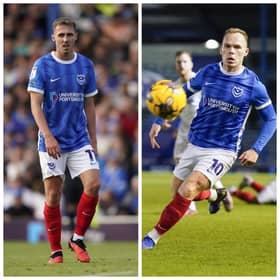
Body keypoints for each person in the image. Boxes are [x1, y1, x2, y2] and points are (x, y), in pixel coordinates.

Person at [142, 27, 276, 249]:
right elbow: (180, 94)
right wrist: (159, 120)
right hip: (194, 144)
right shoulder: (208, 73)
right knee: (180, 193)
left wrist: (256, 149)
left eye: (237, 47)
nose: (231, 51)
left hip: (223, 150)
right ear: (222, 49)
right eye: (228, 46)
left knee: (188, 189)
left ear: (246, 52)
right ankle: (216, 195)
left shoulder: (253, 85)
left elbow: (271, 119)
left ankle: (151, 237)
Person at [28, 17, 100, 264]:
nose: (65, 39)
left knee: (93, 184)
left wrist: (94, 140)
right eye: (61, 35)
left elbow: (89, 105)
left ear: (76, 37)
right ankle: (55, 251)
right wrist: (48, 136)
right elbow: (35, 106)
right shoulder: (42, 65)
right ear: (53, 38)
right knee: (53, 195)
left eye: (69, 35)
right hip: (52, 140)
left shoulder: (86, 66)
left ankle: (77, 238)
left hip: (79, 139)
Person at [149, 51, 232, 215]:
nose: (181, 65)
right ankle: (220, 192)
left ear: (191, 64)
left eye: (185, 62)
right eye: (179, 62)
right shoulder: (175, 87)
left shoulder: (202, 81)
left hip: (203, 132)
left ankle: (193, 205)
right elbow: (173, 109)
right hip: (184, 131)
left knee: (189, 166)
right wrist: (164, 120)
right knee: (185, 165)